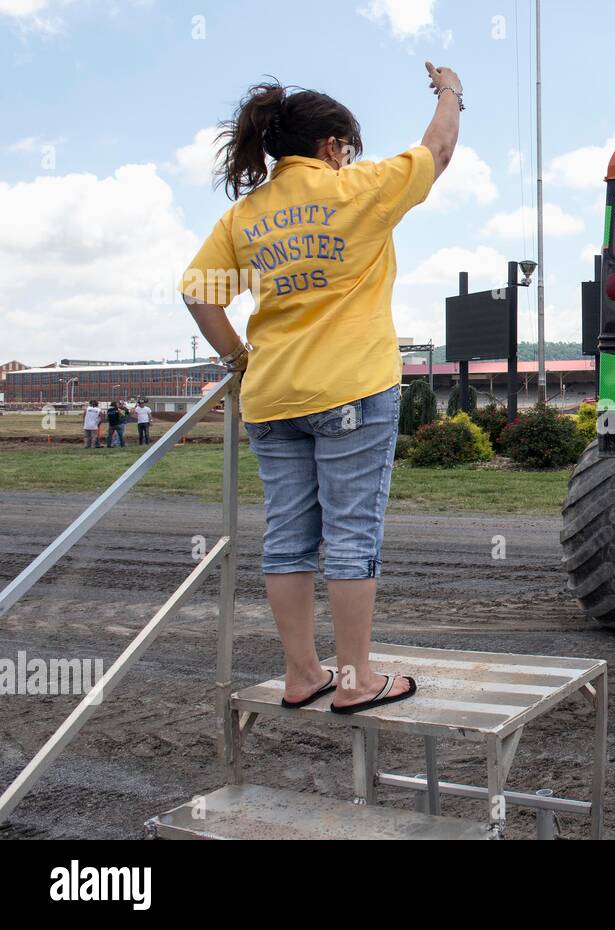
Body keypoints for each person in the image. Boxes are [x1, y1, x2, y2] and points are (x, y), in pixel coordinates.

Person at [179, 64, 462, 714]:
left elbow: (199, 294)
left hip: (273, 396)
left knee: (288, 536)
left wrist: (238, 358)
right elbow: (439, 148)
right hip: (350, 390)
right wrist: (450, 90)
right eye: (348, 149)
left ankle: (304, 674)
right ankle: (358, 679)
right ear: (333, 146)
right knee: (353, 533)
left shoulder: (245, 217)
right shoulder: (357, 189)